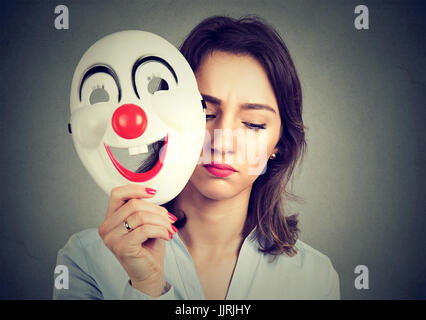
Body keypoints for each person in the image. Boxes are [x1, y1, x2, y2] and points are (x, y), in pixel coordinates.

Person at [54, 15, 340, 300]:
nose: (223, 143)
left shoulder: (314, 279)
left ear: (280, 143)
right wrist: (146, 286)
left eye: (253, 123)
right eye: (205, 113)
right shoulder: (86, 261)